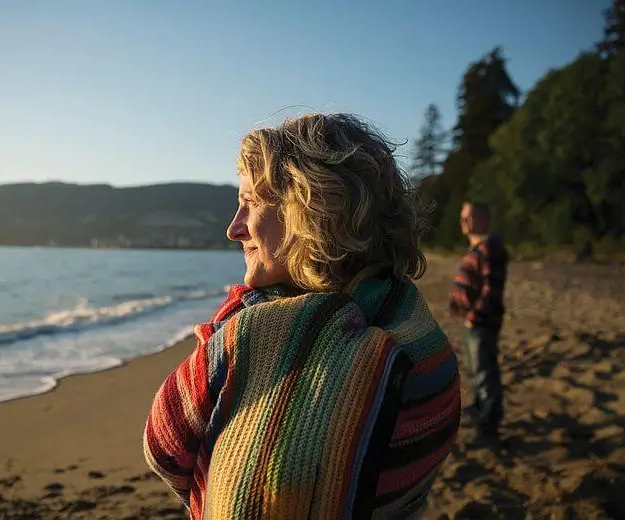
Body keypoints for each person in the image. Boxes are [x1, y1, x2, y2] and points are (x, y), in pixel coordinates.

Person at [143, 113, 460, 519]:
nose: (233, 228)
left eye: (250, 203)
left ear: (310, 207)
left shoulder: (251, 339)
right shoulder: (417, 331)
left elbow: (164, 445)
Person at [448, 202, 509, 444]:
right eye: (462, 217)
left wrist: (475, 317)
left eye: (469, 217)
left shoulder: (490, 248)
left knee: (485, 372)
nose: (464, 222)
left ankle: (488, 426)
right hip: (470, 321)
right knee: (475, 368)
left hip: (480, 323)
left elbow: (491, 290)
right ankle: (481, 407)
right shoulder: (477, 248)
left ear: (483, 219)